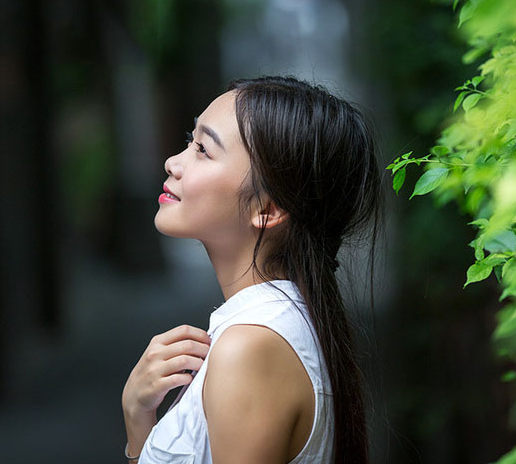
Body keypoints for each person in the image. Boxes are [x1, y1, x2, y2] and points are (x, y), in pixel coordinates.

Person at [121, 76, 382, 464]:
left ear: (268, 210)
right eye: (189, 141)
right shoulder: (281, 324)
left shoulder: (249, 348)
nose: (173, 162)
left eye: (203, 150)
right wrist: (138, 421)